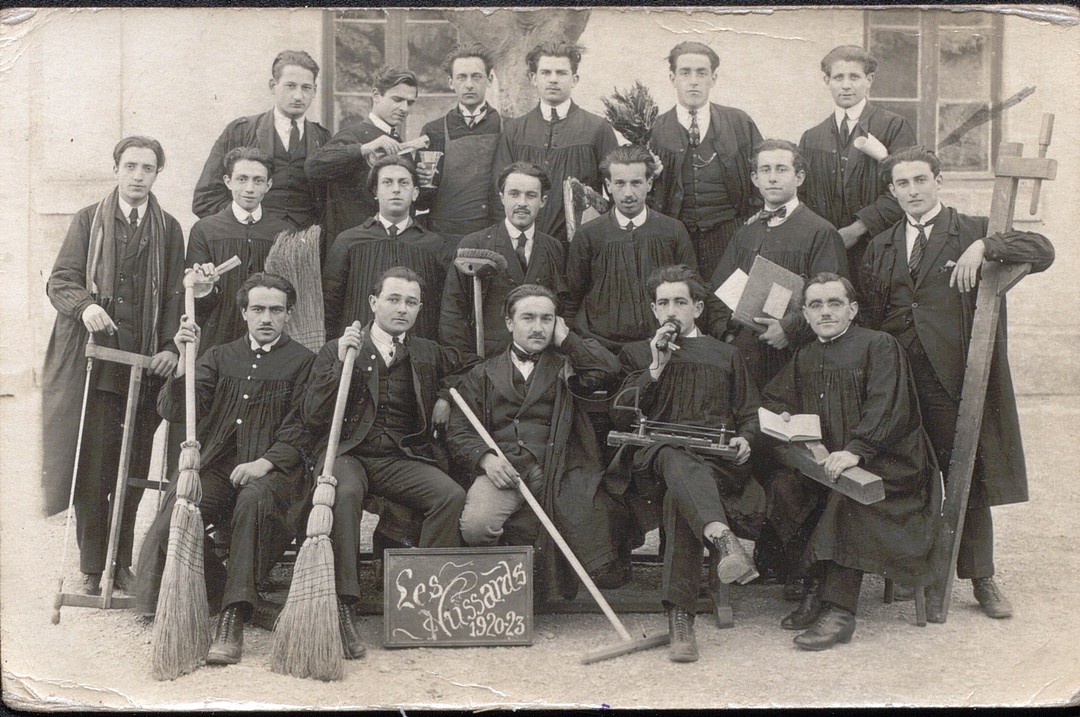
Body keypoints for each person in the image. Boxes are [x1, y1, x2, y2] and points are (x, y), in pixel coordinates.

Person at [860, 146, 1055, 619]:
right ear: (892, 191)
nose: (913, 190)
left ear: (938, 181)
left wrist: (986, 246)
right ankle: (914, 570)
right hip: (899, 382)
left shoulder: (972, 229)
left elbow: (1043, 250)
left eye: (920, 180)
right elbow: (872, 314)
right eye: (902, 183)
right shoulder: (881, 245)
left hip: (952, 380)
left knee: (966, 475)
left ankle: (981, 577)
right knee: (907, 475)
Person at [135, 273, 315, 665]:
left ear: (288, 314)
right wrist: (184, 360)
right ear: (244, 312)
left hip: (274, 469)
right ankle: (232, 594)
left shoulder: (304, 362)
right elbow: (175, 409)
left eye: (276, 310)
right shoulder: (220, 356)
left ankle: (232, 620)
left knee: (252, 502)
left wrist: (264, 463)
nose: (266, 318)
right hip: (220, 464)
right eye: (258, 309)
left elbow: (303, 426)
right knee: (178, 514)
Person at [761, 273, 939, 650]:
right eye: (816, 305)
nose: (825, 312)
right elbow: (775, 397)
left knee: (848, 498)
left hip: (890, 467)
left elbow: (888, 407)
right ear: (805, 315)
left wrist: (857, 449)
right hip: (833, 466)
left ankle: (839, 610)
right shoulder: (806, 356)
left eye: (834, 303)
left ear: (853, 309)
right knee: (784, 487)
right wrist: (784, 415)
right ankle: (815, 585)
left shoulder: (879, 345)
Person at [303, 266, 475, 659]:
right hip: (348, 453)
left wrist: (445, 395)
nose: (402, 309)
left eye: (411, 302)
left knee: (449, 496)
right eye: (393, 299)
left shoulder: (426, 351)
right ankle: (344, 604)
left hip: (399, 456)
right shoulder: (340, 347)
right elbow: (313, 414)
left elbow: (469, 369)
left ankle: (424, 600)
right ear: (373, 302)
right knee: (344, 493)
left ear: (419, 309)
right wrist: (340, 363)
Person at [42, 136, 184, 596]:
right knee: (94, 467)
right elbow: (61, 280)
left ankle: (120, 561)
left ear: (157, 173)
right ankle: (91, 564)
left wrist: (170, 347)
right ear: (117, 169)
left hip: (146, 367)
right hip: (99, 366)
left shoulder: (169, 229)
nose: (138, 176)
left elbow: (174, 297)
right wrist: (84, 306)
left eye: (148, 168)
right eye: (131, 166)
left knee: (134, 468)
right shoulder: (89, 220)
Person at [609, 265, 764, 663]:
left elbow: (749, 414)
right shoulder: (640, 353)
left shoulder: (726, 354)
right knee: (672, 455)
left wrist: (746, 438)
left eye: (680, 302)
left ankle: (681, 622)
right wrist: (656, 367)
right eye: (663, 303)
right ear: (653, 309)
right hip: (654, 465)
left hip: (713, 464)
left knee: (681, 496)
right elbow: (622, 417)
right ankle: (722, 539)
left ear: (697, 308)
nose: (671, 310)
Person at [447, 284, 628, 602]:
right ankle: (501, 586)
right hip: (504, 469)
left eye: (547, 319)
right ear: (509, 322)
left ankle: (536, 587)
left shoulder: (567, 366)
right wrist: (486, 459)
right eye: (528, 318)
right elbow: (460, 430)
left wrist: (567, 339)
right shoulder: (483, 373)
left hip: (556, 467)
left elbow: (610, 369)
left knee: (576, 519)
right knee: (476, 526)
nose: (538, 327)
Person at [708, 139, 849, 391]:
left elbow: (835, 299)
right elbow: (719, 289)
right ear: (755, 178)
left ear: (799, 177)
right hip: (744, 356)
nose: (772, 178)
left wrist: (789, 329)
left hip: (796, 356)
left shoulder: (820, 232)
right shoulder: (746, 232)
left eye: (781, 169)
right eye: (765, 170)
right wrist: (728, 335)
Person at [798, 45, 916, 286]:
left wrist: (859, 228)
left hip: (880, 246)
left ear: (869, 80)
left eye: (854, 77)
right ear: (827, 81)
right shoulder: (811, 137)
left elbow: (907, 189)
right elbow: (803, 195)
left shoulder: (893, 126)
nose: (846, 85)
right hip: (827, 250)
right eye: (838, 77)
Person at [565, 145, 697, 353]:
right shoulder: (588, 234)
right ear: (608, 185)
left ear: (649, 183)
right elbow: (572, 297)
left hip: (661, 344)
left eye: (636, 183)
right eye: (619, 183)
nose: (628, 193)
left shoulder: (673, 230)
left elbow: (692, 290)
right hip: (601, 347)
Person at [649, 41, 763, 279]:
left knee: (727, 296)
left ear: (713, 78)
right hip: (677, 239)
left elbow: (761, 177)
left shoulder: (739, 123)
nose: (693, 81)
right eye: (685, 73)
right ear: (672, 78)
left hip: (730, 236)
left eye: (701, 73)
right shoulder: (655, 128)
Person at [192, 51, 330, 239]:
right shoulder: (240, 131)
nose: (298, 96)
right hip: (249, 241)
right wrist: (244, 227)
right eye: (290, 86)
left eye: (306, 87)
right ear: (273, 86)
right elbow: (205, 198)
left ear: (314, 91)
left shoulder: (322, 138)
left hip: (304, 244)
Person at [492, 42, 619, 244]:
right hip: (527, 245)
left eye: (561, 73)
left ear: (574, 79)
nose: (553, 79)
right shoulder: (514, 131)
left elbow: (617, 189)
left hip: (580, 245)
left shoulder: (598, 128)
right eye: (545, 72)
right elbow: (500, 193)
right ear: (533, 78)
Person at [440, 162, 566, 358]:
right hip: (488, 359)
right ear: (502, 198)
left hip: (541, 360)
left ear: (543, 201)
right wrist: (468, 364)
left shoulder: (553, 248)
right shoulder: (475, 244)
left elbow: (563, 307)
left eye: (531, 195)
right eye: (514, 194)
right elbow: (452, 313)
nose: (522, 203)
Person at [322, 155, 450, 342]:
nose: (396, 189)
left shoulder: (434, 245)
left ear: (415, 193)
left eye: (403, 183)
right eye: (387, 182)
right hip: (360, 349)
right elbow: (330, 304)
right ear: (375, 191)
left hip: (418, 352)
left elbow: (446, 307)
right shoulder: (349, 241)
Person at [187, 147, 292, 355]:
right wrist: (206, 285)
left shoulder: (284, 233)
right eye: (242, 179)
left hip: (269, 339)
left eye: (258, 180)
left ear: (268, 185)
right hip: (218, 339)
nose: (249, 188)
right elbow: (195, 303)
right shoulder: (205, 230)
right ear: (228, 181)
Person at [305, 66, 419, 255]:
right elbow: (313, 167)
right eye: (397, 99)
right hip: (354, 249)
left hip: (391, 247)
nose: (404, 109)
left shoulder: (398, 143)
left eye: (410, 102)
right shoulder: (352, 134)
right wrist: (363, 149)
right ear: (376, 95)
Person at [416, 43, 502, 238]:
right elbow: (421, 201)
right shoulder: (434, 131)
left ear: (489, 79)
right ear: (451, 82)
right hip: (443, 234)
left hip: (490, 234)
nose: (469, 84)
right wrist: (420, 180)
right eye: (462, 77)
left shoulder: (508, 128)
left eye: (476, 76)